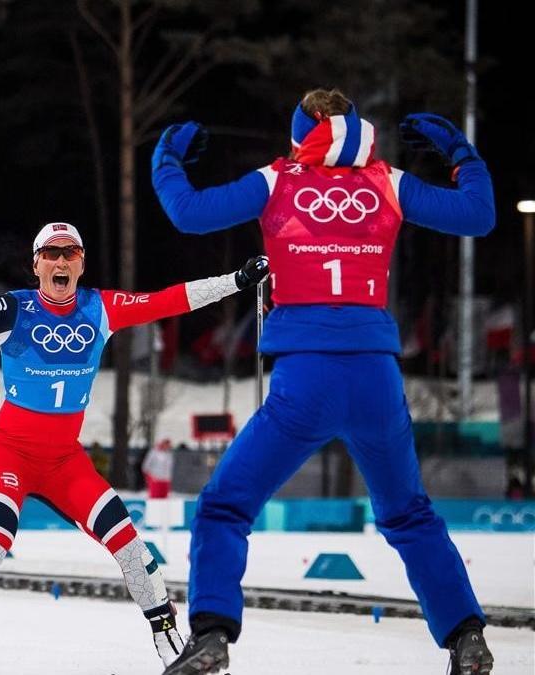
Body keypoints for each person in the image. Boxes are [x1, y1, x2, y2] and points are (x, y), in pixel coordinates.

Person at [151, 89, 495, 675]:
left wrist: (167, 155)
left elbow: (187, 212)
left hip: (304, 380)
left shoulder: (276, 180)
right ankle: (467, 639)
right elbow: (479, 215)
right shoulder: (387, 181)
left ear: (296, 135)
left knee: (225, 507)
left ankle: (211, 637)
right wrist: (460, 153)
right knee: (409, 515)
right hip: (375, 378)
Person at [0, 224, 269, 672]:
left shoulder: (101, 308)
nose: (60, 261)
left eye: (70, 253)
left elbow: (170, 299)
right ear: (36, 265)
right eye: (50, 254)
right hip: (11, 453)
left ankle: (173, 647)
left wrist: (236, 281)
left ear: (81, 264)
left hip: (64, 461)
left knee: (131, 545)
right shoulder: (15, 309)